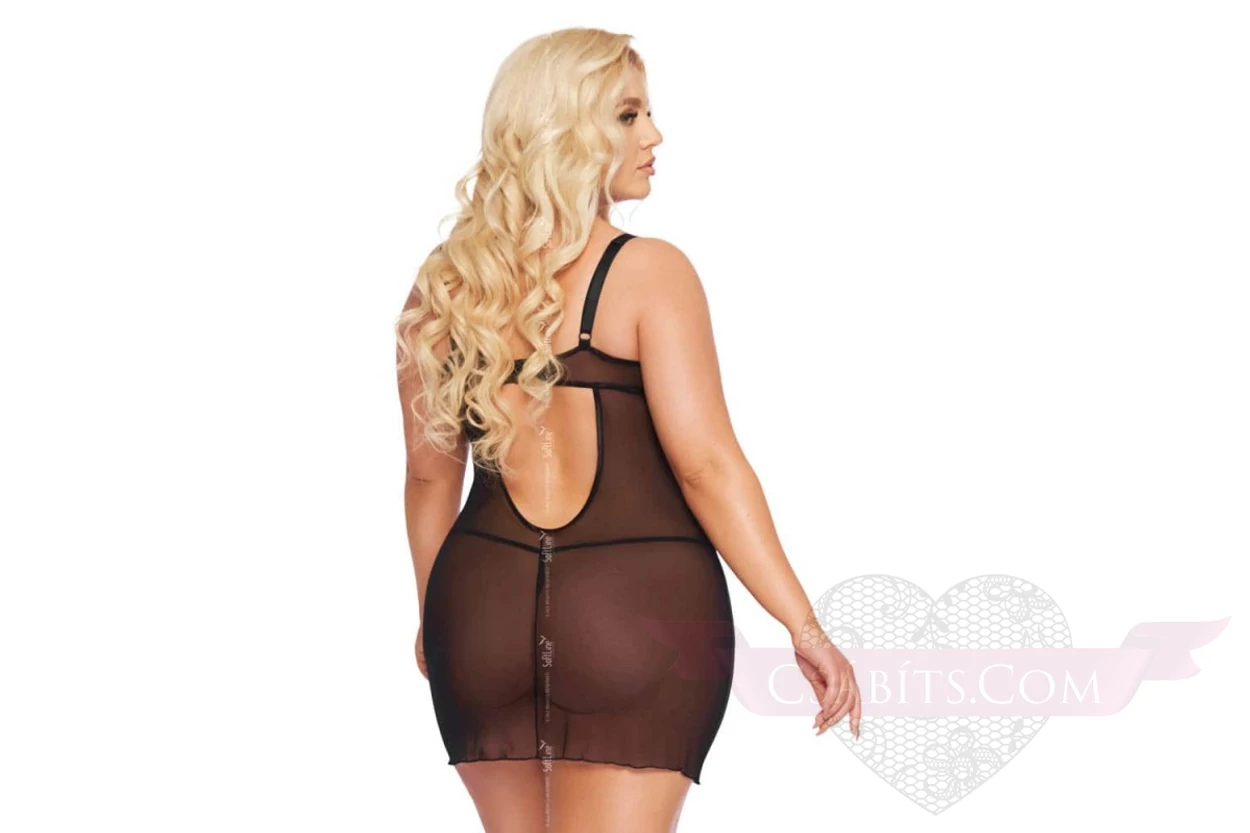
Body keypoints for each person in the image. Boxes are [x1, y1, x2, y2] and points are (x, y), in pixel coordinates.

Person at [394, 27, 861, 833]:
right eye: (628, 114)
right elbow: (706, 466)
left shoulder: (444, 291)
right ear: (564, 130)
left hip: (478, 612)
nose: (655, 136)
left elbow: (429, 475)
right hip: (632, 613)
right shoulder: (649, 273)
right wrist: (802, 623)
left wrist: (436, 615)